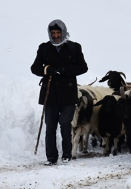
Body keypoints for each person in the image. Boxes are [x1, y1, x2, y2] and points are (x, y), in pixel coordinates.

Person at [30, 20, 88, 165]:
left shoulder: (74, 47)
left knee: (65, 123)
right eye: (53, 33)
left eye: (58, 33)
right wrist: (46, 70)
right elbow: (34, 68)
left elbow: (83, 67)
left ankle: (67, 154)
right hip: (50, 93)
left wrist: (66, 70)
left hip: (68, 93)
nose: (56, 36)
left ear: (63, 32)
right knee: (50, 126)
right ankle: (51, 157)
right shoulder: (44, 48)